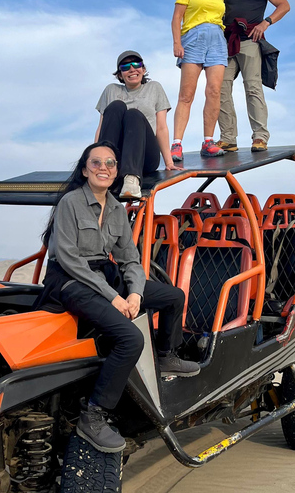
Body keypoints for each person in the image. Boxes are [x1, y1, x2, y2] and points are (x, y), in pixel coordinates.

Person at [40, 141, 200, 453]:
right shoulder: (70, 204)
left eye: (110, 163)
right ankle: (94, 415)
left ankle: (166, 355)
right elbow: (71, 261)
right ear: (85, 170)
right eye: (96, 163)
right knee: (130, 338)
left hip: (104, 276)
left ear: (116, 172)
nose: (104, 168)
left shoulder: (116, 209)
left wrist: (136, 293)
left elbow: (129, 259)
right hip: (70, 282)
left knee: (173, 297)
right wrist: (115, 297)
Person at [202, 0, 290, 152]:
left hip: (251, 40)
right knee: (219, 89)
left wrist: (265, 23)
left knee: (253, 88)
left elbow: (284, 5)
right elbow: (206, 1)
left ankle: (260, 136)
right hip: (226, 42)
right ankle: (228, 138)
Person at [96, 51, 183, 199]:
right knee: (116, 106)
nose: (132, 69)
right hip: (118, 156)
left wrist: (169, 161)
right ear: (120, 74)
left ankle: (132, 178)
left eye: (136, 65)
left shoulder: (154, 88)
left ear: (143, 70)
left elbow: (161, 127)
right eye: (126, 67)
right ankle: (105, 168)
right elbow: (102, 127)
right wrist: (93, 159)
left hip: (145, 155)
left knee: (133, 114)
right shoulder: (111, 90)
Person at [171, 0, 228, 161]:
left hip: (217, 39)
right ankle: (177, 144)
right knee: (186, 94)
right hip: (194, 37)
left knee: (214, 91)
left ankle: (208, 142)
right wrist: (177, 42)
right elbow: (177, 17)